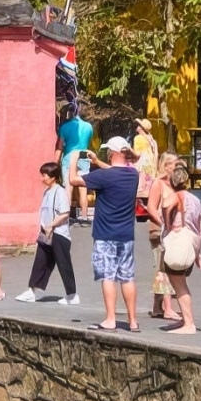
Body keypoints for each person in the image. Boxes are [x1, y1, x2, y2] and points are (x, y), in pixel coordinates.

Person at [71, 137, 143, 331]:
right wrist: (97, 162)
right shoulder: (133, 174)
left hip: (105, 235)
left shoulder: (104, 177)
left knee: (108, 277)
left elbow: (73, 180)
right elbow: (114, 172)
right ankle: (133, 320)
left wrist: (72, 160)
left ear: (112, 153)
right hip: (126, 235)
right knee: (127, 277)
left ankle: (110, 318)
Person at [16, 161, 78, 304]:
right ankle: (32, 291)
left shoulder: (59, 192)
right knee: (40, 262)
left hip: (58, 234)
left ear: (53, 176)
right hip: (46, 233)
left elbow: (64, 213)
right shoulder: (47, 192)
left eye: (44, 175)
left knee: (64, 264)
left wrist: (51, 225)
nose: (42, 178)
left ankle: (72, 294)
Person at [157, 163, 201, 333]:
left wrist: (167, 222)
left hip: (178, 244)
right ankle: (185, 320)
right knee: (180, 282)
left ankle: (189, 323)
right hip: (190, 245)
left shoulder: (178, 196)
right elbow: (200, 227)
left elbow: (165, 204)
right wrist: (198, 254)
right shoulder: (196, 200)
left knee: (179, 285)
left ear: (172, 182)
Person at [144, 152, 180, 321]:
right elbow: (151, 207)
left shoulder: (175, 183)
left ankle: (157, 307)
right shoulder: (158, 183)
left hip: (172, 231)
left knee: (163, 266)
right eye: (175, 164)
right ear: (166, 166)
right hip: (159, 230)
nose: (178, 166)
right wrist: (163, 223)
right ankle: (167, 308)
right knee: (164, 267)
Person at [57, 104, 96, 222]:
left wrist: (56, 162)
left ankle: (67, 217)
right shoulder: (89, 126)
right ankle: (84, 216)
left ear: (70, 113)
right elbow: (88, 142)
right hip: (83, 157)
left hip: (69, 158)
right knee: (83, 188)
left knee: (68, 189)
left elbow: (60, 146)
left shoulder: (64, 127)